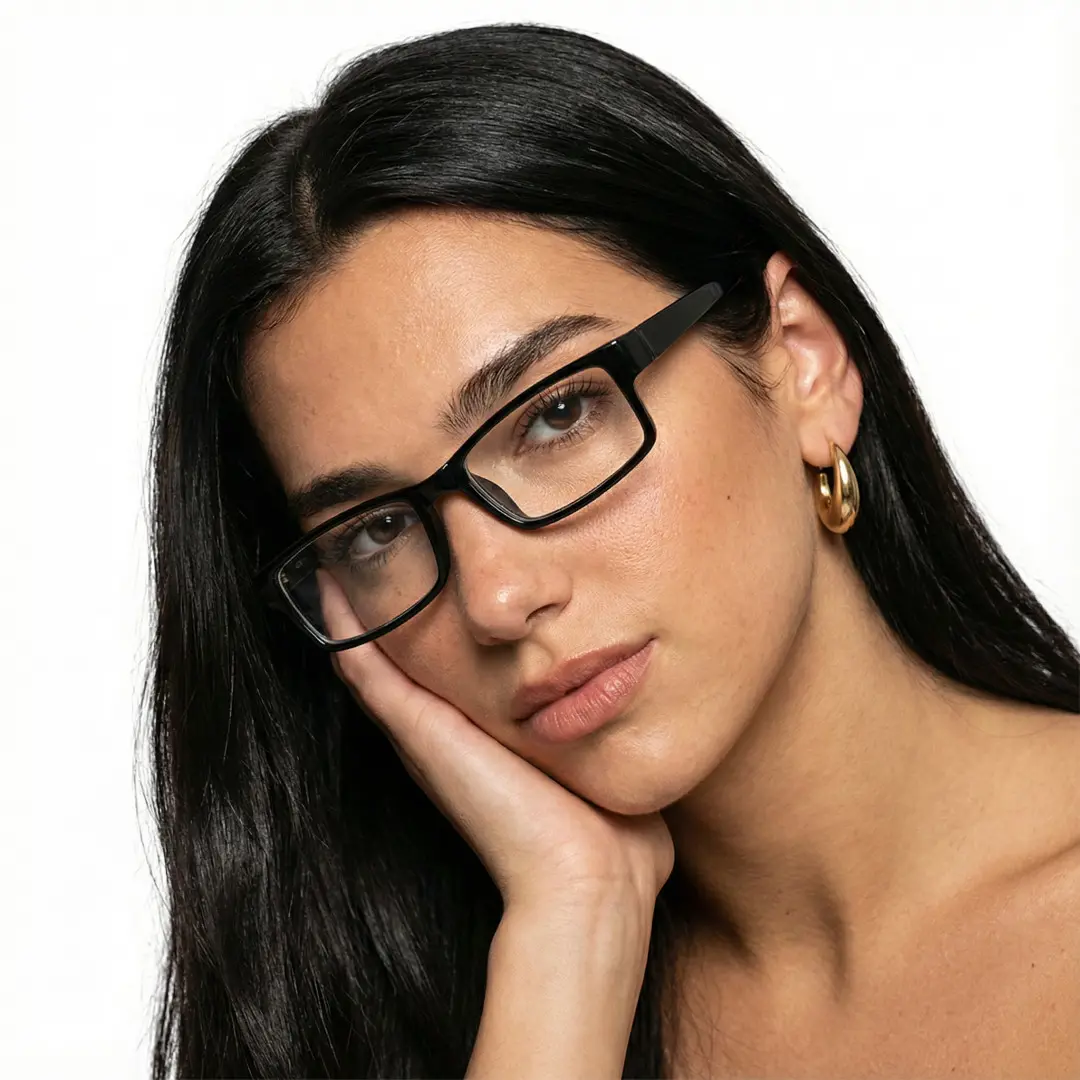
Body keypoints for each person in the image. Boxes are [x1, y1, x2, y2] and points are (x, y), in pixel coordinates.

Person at [144, 22, 1080, 1079]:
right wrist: (570, 935)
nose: (496, 596)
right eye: (378, 527)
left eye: (555, 417)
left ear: (805, 367)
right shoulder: (414, 1010)